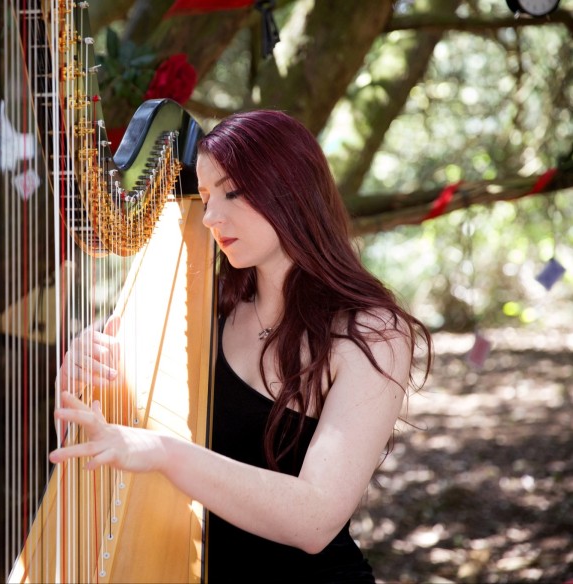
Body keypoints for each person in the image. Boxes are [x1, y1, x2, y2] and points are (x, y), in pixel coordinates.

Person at [49, 110, 432, 582]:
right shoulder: (201, 311)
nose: (210, 216)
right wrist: (75, 383)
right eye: (206, 196)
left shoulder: (370, 332)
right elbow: (102, 454)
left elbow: (315, 518)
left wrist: (166, 453)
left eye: (231, 192)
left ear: (290, 190)